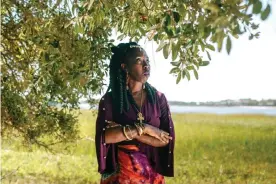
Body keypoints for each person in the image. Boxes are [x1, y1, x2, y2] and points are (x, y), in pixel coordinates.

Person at [95, 42, 175, 184]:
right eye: (139, 61)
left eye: (147, 61)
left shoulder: (158, 99)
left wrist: (125, 131)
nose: (146, 65)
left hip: (152, 177)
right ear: (124, 66)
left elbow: (166, 139)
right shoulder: (110, 100)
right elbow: (105, 136)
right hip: (121, 177)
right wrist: (146, 129)